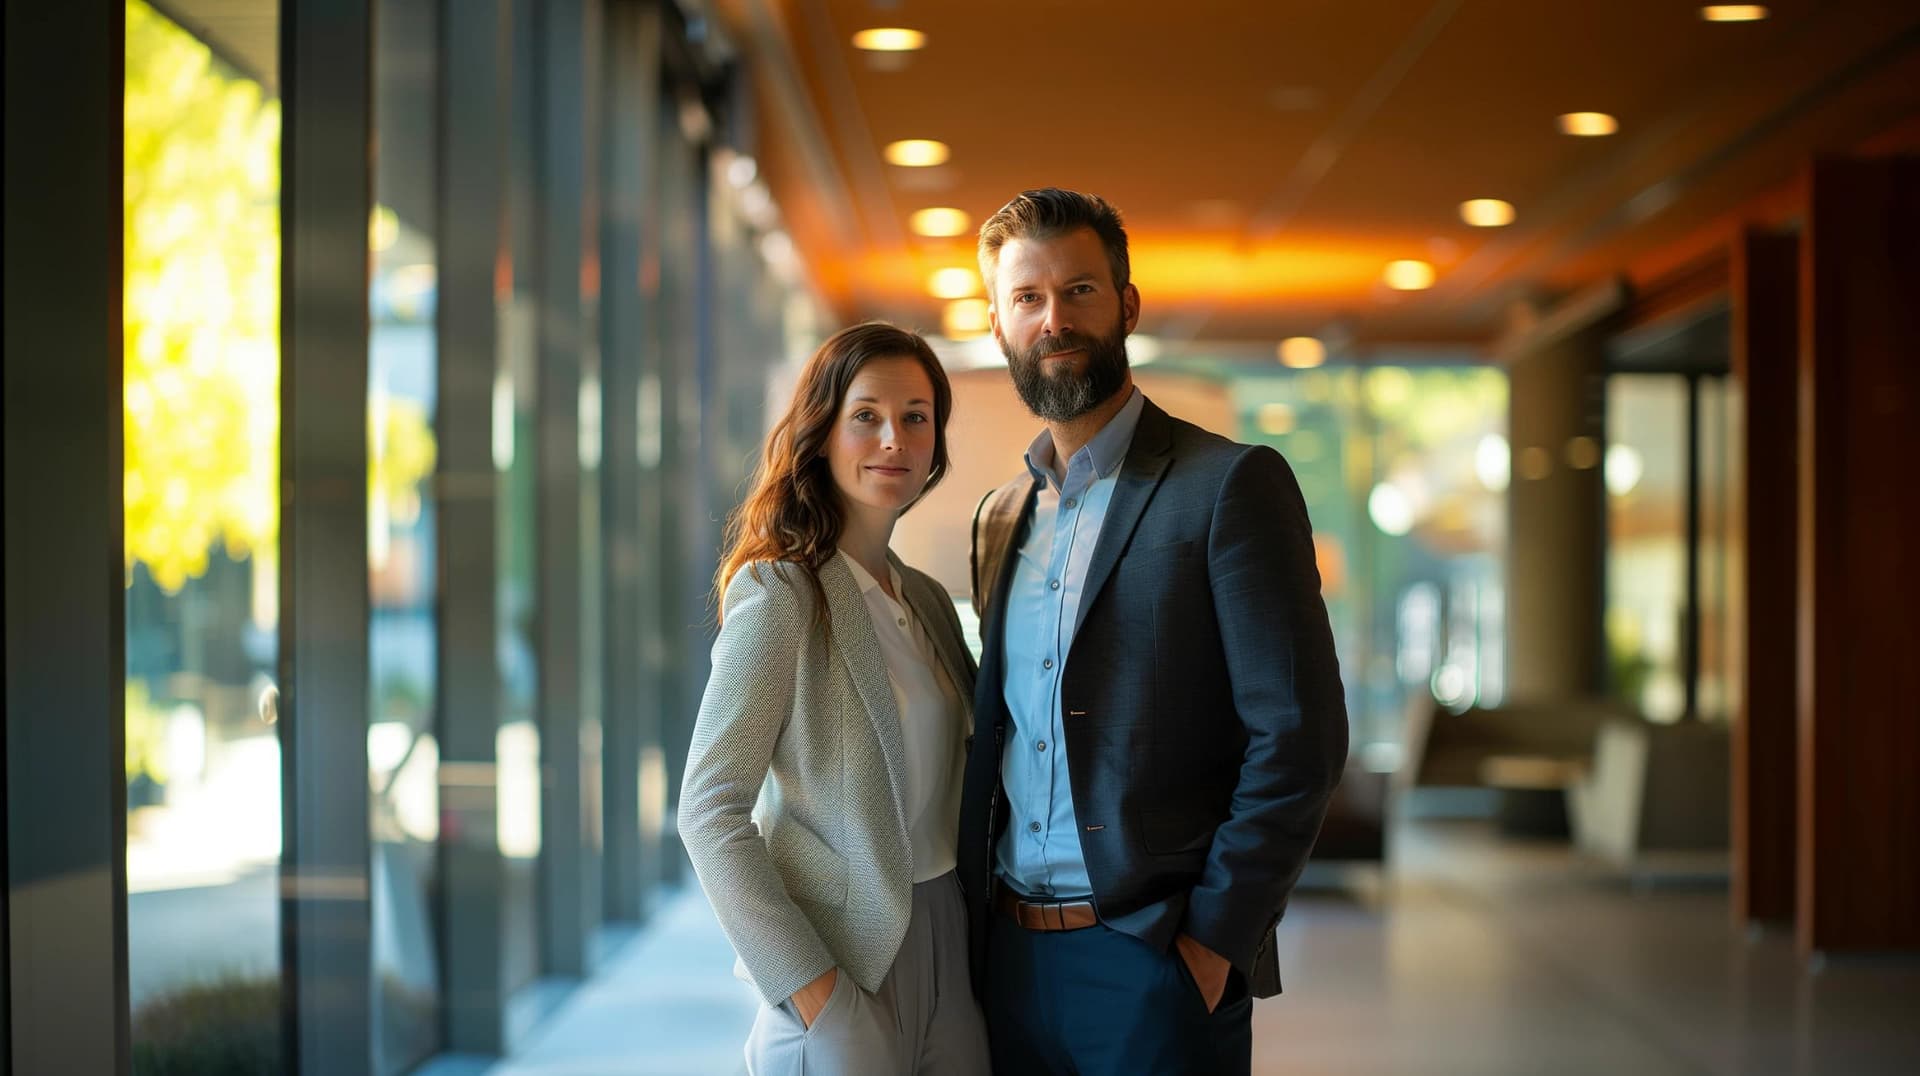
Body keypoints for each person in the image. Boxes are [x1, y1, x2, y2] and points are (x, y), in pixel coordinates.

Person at [957, 189, 1350, 1075]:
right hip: (1010, 960)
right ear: (998, 324)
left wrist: (1213, 944)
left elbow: (1300, 736)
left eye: (1079, 291)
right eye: (1027, 298)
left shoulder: (1228, 486)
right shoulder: (999, 517)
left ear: (1126, 306)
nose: (1054, 320)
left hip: (1153, 960)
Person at [679, 322, 991, 1075]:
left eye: (916, 416)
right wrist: (815, 992)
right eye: (867, 415)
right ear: (821, 432)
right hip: (844, 969)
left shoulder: (926, 601)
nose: (894, 438)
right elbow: (708, 808)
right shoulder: (782, 591)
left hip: (954, 951)